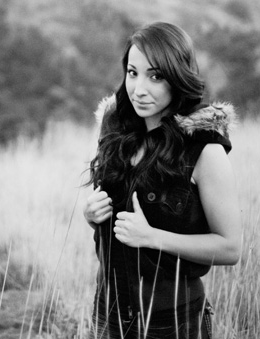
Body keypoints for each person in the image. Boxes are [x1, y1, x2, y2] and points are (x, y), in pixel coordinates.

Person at [83, 22, 241, 339]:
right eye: (132, 72)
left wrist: (152, 236)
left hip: (172, 323)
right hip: (108, 314)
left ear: (177, 76)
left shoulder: (204, 147)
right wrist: (92, 215)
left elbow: (229, 248)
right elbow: (116, 221)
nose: (139, 88)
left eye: (155, 76)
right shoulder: (116, 128)